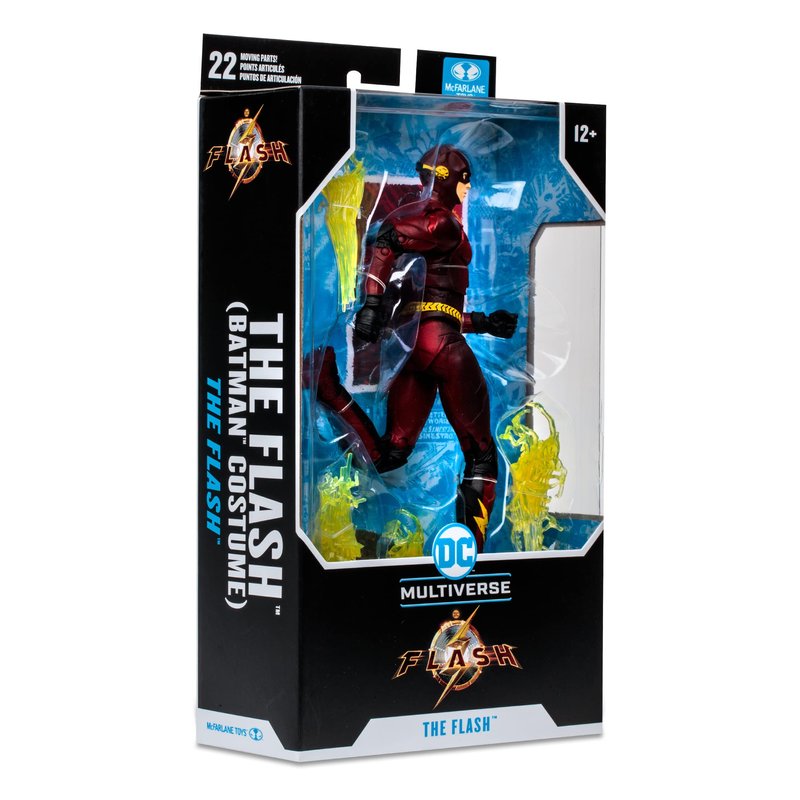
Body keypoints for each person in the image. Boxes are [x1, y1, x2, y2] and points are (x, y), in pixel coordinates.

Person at [310, 145, 517, 551]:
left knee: (391, 454)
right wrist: (372, 303)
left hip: (419, 345)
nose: (468, 187)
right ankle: (471, 552)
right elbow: (387, 239)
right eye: (464, 178)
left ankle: (329, 391)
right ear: (447, 178)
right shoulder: (444, 223)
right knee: (480, 455)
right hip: (440, 345)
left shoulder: (440, 224)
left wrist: (483, 322)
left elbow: (433, 309)